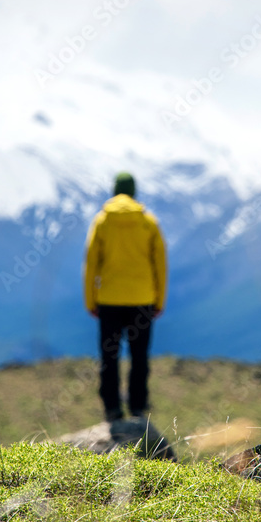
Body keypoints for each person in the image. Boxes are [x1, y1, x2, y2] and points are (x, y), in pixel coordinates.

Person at [83, 172, 167, 422]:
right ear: (133, 192)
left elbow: (90, 264)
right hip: (142, 300)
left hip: (109, 301)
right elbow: (160, 265)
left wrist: (91, 301)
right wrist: (158, 301)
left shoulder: (102, 222)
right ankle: (138, 407)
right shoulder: (148, 222)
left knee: (109, 356)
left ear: (114, 190)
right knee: (139, 356)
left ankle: (112, 408)